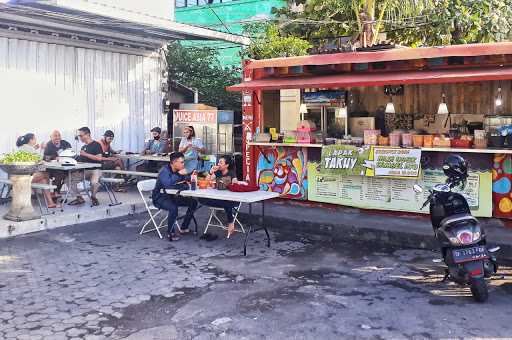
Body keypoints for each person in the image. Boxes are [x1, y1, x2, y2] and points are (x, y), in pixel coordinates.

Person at [152, 152, 198, 241]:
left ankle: (184, 228)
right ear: (174, 162)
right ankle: (171, 233)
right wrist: (179, 175)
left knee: (193, 202)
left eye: (183, 162)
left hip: (172, 196)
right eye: (181, 162)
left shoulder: (178, 170)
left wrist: (192, 175)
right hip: (160, 198)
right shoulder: (164, 171)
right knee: (173, 208)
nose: (183, 164)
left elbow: (185, 181)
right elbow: (168, 184)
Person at [16, 133, 59, 209]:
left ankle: (50, 203)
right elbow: (40, 158)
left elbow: (31, 158)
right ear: (30, 140)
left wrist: (35, 149)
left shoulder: (22, 147)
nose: (36, 140)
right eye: (35, 139)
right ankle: (53, 192)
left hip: (19, 176)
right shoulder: (29, 148)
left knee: (43, 180)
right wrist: (42, 148)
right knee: (46, 174)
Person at [200, 156, 239, 238]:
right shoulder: (217, 172)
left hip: (230, 200)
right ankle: (230, 221)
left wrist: (226, 184)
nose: (218, 164)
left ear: (226, 165)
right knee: (201, 199)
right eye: (218, 162)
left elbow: (235, 185)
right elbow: (207, 181)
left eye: (221, 162)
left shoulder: (231, 173)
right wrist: (211, 172)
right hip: (219, 198)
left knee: (226, 203)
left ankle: (231, 222)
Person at [67, 127, 104, 206]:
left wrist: (85, 154)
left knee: (94, 182)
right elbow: (82, 160)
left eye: (81, 135)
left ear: (88, 134)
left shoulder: (96, 144)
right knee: (68, 180)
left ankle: (93, 197)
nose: (80, 137)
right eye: (79, 136)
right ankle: (79, 198)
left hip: (95, 170)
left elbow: (99, 158)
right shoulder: (83, 147)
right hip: (84, 171)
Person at [44, 130, 72, 197]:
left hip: (66, 166)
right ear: (51, 137)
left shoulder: (65, 143)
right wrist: (54, 157)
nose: (57, 137)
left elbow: (71, 153)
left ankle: (56, 192)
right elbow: (45, 158)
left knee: (66, 174)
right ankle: (56, 192)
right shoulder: (48, 145)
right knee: (59, 174)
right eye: (55, 136)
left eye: (59, 135)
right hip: (53, 169)